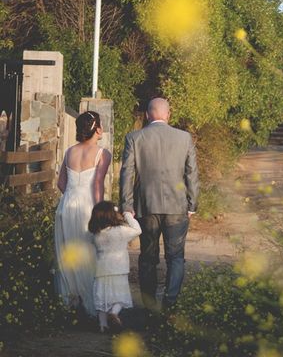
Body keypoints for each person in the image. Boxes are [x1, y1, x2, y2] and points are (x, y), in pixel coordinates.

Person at [120, 98, 199, 311]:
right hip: (177, 206)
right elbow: (191, 173)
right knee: (176, 258)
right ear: (169, 114)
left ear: (147, 115)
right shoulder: (184, 138)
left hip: (146, 206)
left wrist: (126, 204)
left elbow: (127, 173)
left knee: (147, 258)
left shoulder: (134, 138)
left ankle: (149, 305)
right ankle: (170, 303)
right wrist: (192, 204)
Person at [54, 111, 112, 317]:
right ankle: (92, 305)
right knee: (89, 254)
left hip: (66, 205)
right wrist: (101, 213)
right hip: (88, 207)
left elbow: (61, 183)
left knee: (67, 252)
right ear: (97, 129)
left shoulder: (69, 151)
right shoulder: (102, 154)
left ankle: (71, 303)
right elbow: (98, 185)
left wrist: (72, 196)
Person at [88, 201, 141, 333]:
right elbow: (138, 230)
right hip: (119, 268)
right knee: (120, 296)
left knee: (102, 296)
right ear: (112, 215)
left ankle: (102, 325)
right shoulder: (120, 231)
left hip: (101, 270)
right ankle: (114, 313)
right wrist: (128, 215)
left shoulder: (96, 235)